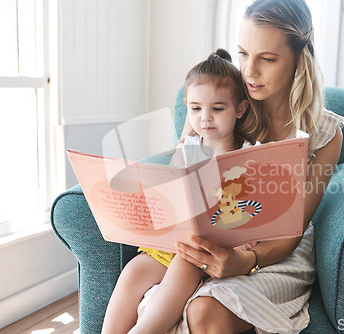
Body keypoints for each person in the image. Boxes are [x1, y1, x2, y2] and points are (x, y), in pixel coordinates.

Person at [170, 0, 344, 333]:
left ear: (299, 59)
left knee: (205, 310)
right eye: (243, 54)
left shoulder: (325, 133)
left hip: (276, 252)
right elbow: (183, 173)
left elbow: (293, 229)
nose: (249, 72)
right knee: (149, 288)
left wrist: (245, 262)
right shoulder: (219, 104)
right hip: (216, 232)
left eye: (267, 58)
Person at [101, 48, 258, 334]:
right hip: (170, 245)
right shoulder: (188, 151)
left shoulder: (247, 156)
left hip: (207, 251)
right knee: (133, 272)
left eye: (218, 108)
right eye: (196, 109)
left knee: (185, 264)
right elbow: (169, 194)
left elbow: (254, 209)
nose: (206, 118)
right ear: (187, 107)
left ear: (240, 109)